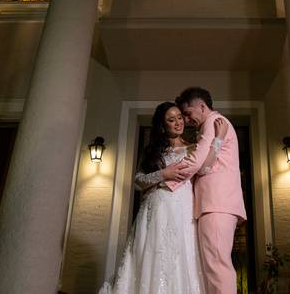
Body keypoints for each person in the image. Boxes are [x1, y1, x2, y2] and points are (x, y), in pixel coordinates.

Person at [99, 101, 226, 294]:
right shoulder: (153, 152)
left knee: (181, 257)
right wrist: (163, 174)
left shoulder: (194, 148)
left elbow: (205, 168)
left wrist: (219, 139)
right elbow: (138, 181)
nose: (178, 122)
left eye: (180, 117)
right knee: (152, 255)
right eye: (171, 120)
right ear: (162, 125)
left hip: (182, 211)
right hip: (156, 211)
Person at [165, 87, 247, 294]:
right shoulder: (211, 125)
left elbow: (197, 163)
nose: (186, 120)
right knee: (213, 267)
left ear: (202, 107)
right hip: (215, 204)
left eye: (187, 113)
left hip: (216, 203)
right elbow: (204, 166)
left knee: (217, 267)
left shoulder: (213, 122)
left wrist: (166, 175)